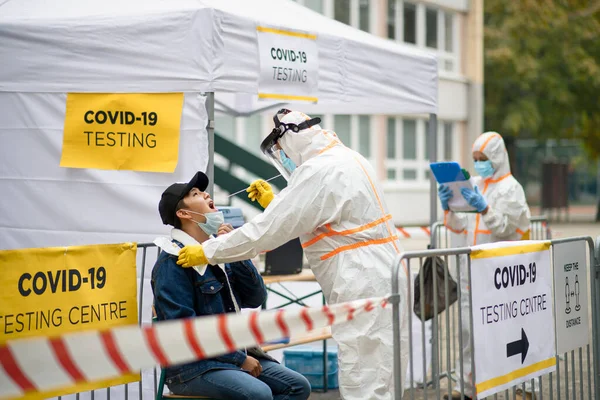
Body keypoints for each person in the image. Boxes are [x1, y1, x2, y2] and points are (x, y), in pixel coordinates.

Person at [177, 109, 410, 400]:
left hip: (361, 279)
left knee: (363, 373)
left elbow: (265, 233)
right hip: (384, 272)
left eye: (279, 149)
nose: (281, 156)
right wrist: (276, 202)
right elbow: (328, 215)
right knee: (386, 370)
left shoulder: (319, 170)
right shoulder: (348, 158)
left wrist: (207, 251)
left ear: (290, 138)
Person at [151, 171, 311, 400]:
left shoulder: (215, 250)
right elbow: (185, 330)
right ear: (184, 213)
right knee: (259, 394)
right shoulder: (173, 261)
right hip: (193, 367)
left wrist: (235, 251)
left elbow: (256, 297)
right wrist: (238, 360)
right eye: (196, 193)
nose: (206, 194)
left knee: (297, 386)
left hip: (234, 353)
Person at [438, 131, 533, 400]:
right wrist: (449, 207)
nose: (479, 163)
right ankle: (466, 388)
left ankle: (525, 388)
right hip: (473, 273)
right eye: (475, 159)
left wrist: (485, 209)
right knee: (469, 333)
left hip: (503, 274)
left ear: (498, 157)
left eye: (484, 158)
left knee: (514, 331)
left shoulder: (511, 189)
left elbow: (505, 228)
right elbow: (459, 226)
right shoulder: (475, 183)